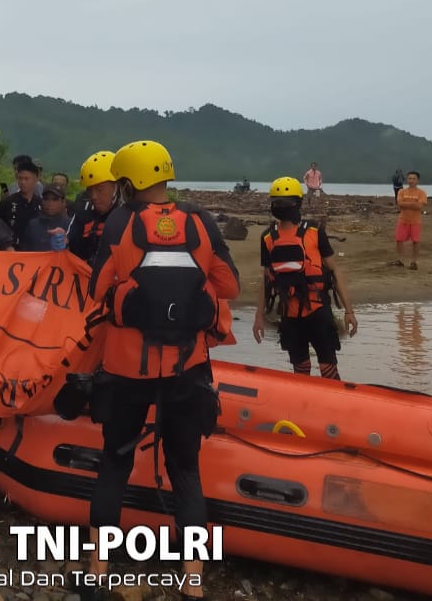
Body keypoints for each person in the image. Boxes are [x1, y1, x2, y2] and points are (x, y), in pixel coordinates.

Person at [82, 140, 240, 601]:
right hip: (187, 369)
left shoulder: (120, 221)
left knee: (115, 462)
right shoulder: (199, 220)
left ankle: (97, 572)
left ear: (129, 182)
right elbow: (229, 284)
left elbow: (96, 290)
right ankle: (193, 583)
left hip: (127, 370)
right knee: (186, 470)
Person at [252, 176, 358, 380]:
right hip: (289, 314)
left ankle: (334, 398)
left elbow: (334, 271)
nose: (281, 207)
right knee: (300, 368)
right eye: (277, 203)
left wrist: (349, 311)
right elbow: (266, 279)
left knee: (328, 368)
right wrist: (258, 317)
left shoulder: (315, 232)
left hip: (318, 311)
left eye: (286, 203)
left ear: (298, 203)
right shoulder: (267, 237)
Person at [68, 151, 120, 264]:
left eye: (100, 189)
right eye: (90, 190)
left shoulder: (129, 216)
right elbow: (70, 242)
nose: (93, 196)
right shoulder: (82, 211)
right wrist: (63, 240)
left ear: (117, 187)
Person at [0, 160, 43, 246]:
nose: (23, 182)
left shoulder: (41, 203)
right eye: (20, 178)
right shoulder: (7, 203)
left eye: (26, 179)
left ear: (36, 179)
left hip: (36, 250)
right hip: (12, 249)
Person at [18, 183, 70, 251]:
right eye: (46, 199)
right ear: (42, 201)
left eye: (55, 199)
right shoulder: (32, 225)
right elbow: (24, 252)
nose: (50, 203)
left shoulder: (71, 225)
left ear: (63, 202)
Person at [391, 171, 427, 270]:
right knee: (399, 240)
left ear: (417, 180)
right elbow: (399, 204)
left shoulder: (421, 193)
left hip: (415, 221)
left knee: (415, 241)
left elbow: (420, 206)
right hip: (403, 220)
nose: (411, 180)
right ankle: (400, 260)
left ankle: (414, 262)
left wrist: (406, 204)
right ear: (407, 180)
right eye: (410, 178)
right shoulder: (401, 191)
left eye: (414, 179)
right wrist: (414, 204)